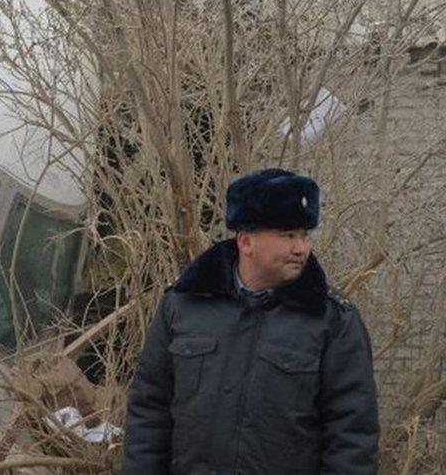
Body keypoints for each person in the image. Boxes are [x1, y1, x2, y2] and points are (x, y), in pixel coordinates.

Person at [121, 168, 379, 474]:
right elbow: (149, 412)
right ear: (246, 242)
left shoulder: (333, 322)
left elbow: (352, 438)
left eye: (303, 236)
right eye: (287, 235)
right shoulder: (184, 306)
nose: (301, 248)